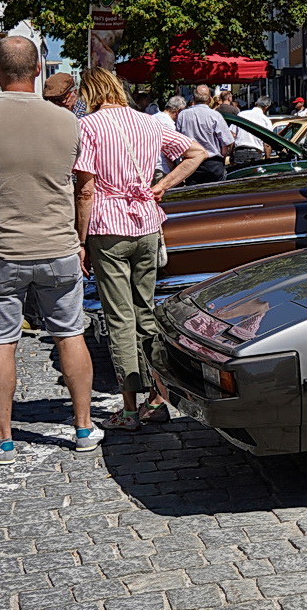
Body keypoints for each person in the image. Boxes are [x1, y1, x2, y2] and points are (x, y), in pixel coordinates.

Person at [0, 36, 101, 463]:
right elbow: (79, 180)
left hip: (1, 247)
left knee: (1, 340)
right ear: (39, 69)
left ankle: (2, 438)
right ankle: (84, 427)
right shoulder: (69, 121)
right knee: (70, 334)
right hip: (57, 243)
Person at [72, 68, 207, 430]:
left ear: (89, 93)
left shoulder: (88, 126)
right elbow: (196, 153)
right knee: (145, 312)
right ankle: (158, 398)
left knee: (119, 318)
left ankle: (129, 408)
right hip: (146, 223)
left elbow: (85, 191)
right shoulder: (149, 122)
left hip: (108, 227)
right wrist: (162, 185)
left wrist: (80, 240)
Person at [175, 85, 233, 185]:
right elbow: (227, 142)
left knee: (193, 193)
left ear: (193, 98)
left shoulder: (183, 115)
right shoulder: (215, 115)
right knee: (215, 193)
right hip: (213, 165)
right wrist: (222, 158)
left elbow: (178, 141)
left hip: (191, 164)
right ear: (210, 99)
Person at [231, 94, 271, 167]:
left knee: (239, 173)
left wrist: (231, 154)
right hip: (256, 153)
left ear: (256, 104)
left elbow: (233, 135)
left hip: (240, 152)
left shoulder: (241, 114)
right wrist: (267, 160)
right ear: (266, 107)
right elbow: (267, 144)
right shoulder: (266, 120)